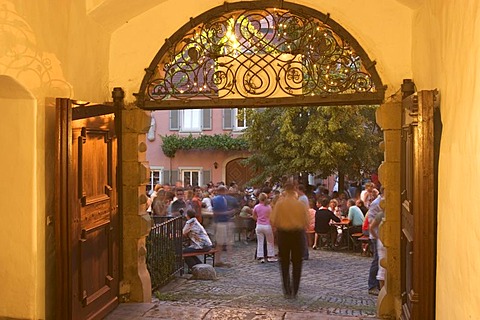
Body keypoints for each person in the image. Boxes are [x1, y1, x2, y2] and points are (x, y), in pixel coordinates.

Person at [270, 183, 310, 299]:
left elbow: (273, 220)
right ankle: (295, 289)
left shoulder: (280, 204)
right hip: (297, 234)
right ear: (295, 190)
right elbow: (307, 221)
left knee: (284, 262)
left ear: (285, 191)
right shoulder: (300, 205)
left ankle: (287, 289)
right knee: (297, 262)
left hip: (283, 234)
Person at [212, 185, 236, 266]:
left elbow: (214, 212)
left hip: (220, 222)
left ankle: (217, 260)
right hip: (229, 221)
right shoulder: (231, 199)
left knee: (219, 243)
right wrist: (229, 213)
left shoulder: (215, 199)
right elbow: (236, 209)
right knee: (229, 243)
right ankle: (229, 261)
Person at [367, 191, 385, 295]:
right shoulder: (376, 203)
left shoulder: (382, 202)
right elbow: (371, 221)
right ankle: (372, 285)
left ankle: (378, 285)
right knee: (377, 260)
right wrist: (376, 236)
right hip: (377, 236)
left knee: (380, 261)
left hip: (381, 236)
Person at [253, 193, 277, 263]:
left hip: (259, 225)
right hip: (267, 225)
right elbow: (271, 217)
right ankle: (270, 256)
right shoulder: (268, 207)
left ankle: (261, 257)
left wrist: (258, 219)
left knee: (260, 241)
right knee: (270, 241)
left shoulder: (256, 207)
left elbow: (253, 216)